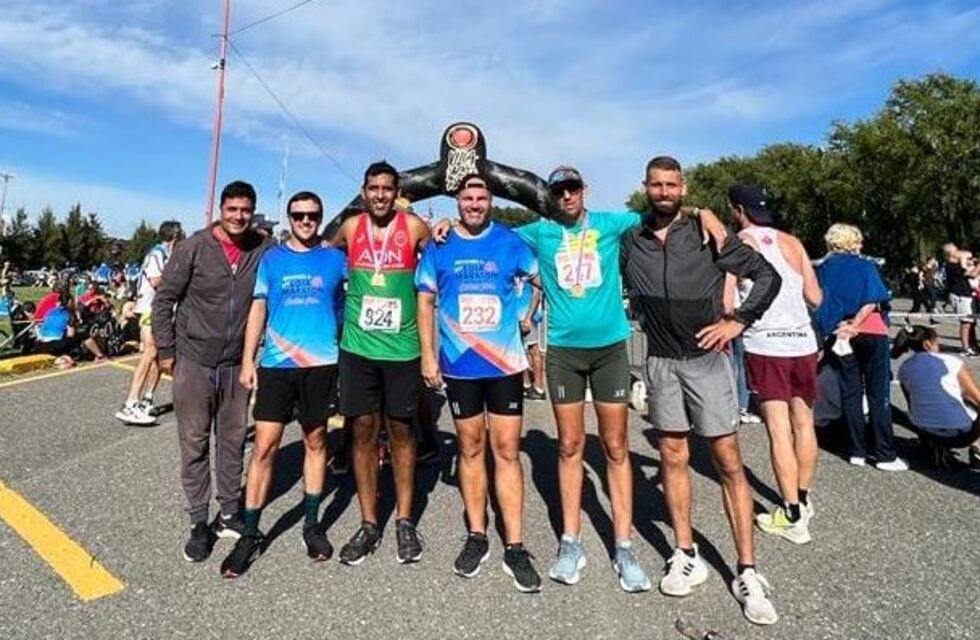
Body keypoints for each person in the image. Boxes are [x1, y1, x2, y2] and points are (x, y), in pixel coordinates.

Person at [620, 157, 782, 625]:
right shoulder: (632, 239)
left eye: (672, 184)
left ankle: (748, 570)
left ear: (682, 187)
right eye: (656, 184)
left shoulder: (707, 233)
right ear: (645, 186)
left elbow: (767, 277)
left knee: (728, 460)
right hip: (662, 362)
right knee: (672, 455)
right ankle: (685, 552)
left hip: (708, 361)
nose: (664, 190)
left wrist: (737, 321)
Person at [416, 174, 542, 592]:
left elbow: (539, 280)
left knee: (506, 451)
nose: (474, 204)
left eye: (481, 198)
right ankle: (477, 535)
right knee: (470, 447)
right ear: (457, 203)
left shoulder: (509, 241)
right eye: (467, 198)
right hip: (458, 366)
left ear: (490, 201)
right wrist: (429, 356)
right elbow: (426, 300)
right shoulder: (441, 243)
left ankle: (517, 544)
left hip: (504, 365)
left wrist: (525, 312)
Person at [220, 191, 346, 578]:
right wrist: (247, 360)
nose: (305, 221)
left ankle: (311, 524)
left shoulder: (336, 259)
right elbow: (258, 308)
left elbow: (364, 294)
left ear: (321, 218)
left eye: (313, 215)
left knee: (316, 443)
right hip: (276, 365)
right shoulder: (272, 259)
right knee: (264, 447)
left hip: (321, 364)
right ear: (289, 218)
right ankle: (252, 533)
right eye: (299, 215)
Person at [153, 180, 273, 563]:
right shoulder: (193, 247)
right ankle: (197, 522)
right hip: (194, 360)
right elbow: (164, 300)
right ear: (221, 210)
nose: (238, 216)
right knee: (194, 443)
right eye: (232, 209)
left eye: (245, 210)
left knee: (234, 440)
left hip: (237, 364)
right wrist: (167, 352)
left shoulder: (263, 248)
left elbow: (310, 248)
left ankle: (229, 512)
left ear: (253, 212)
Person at [329, 161, 430, 565]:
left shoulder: (415, 226)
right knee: (363, 432)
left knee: (402, 433)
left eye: (387, 188)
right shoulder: (352, 229)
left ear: (397, 191)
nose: (380, 195)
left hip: (402, 349)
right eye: (374, 188)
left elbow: (441, 255)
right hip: (358, 349)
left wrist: (440, 231)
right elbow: (323, 252)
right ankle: (370, 522)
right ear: (364, 190)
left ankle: (405, 520)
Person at [729, 184, 822, 545]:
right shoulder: (793, 242)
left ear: (739, 210)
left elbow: (726, 297)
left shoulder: (740, 243)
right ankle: (803, 496)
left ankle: (792, 513)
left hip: (766, 341)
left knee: (778, 429)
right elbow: (814, 296)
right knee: (804, 422)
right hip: (803, 341)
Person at [816, 224, 907, 471]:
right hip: (869, 331)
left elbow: (819, 301)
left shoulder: (823, 269)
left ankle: (856, 450)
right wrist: (855, 324)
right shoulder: (866, 266)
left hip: (838, 333)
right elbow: (872, 299)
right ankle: (885, 454)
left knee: (850, 392)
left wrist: (837, 329)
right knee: (878, 394)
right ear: (852, 242)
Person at [115, 221, 182, 426]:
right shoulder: (157, 254)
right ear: (174, 237)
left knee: (161, 355)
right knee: (150, 353)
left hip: (164, 310)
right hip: (151, 309)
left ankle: (147, 398)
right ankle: (131, 402)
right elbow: (155, 281)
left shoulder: (167, 255)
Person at [893, 325, 980, 468]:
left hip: (924, 428)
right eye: (937, 342)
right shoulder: (951, 361)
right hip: (961, 434)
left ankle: (934, 445)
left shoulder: (904, 368)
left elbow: (911, 404)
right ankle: (978, 449)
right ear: (928, 344)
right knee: (969, 400)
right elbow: (977, 397)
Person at [35, 289, 105, 363]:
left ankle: (67, 356)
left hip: (41, 344)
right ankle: (100, 356)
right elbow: (71, 334)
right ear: (69, 302)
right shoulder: (68, 314)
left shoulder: (50, 311)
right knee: (84, 336)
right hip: (55, 344)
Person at [942, 244, 979, 356]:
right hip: (960, 295)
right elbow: (971, 274)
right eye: (956, 250)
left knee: (970, 322)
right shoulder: (951, 266)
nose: (959, 252)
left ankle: (971, 345)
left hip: (965, 294)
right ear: (950, 253)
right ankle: (965, 347)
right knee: (966, 322)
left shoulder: (957, 264)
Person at [516, 276, 546, 400]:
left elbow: (537, 293)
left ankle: (539, 388)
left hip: (529, 316)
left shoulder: (529, 264)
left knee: (534, 350)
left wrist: (529, 317)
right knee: (519, 351)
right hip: (514, 316)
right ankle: (526, 385)